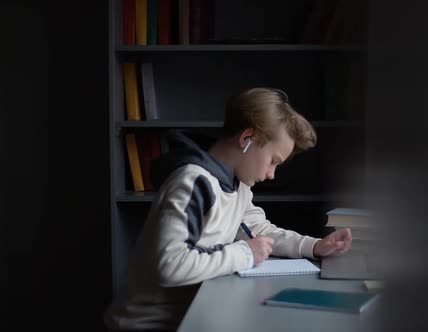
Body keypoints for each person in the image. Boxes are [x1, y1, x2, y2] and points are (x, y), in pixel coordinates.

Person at [104, 87, 353, 331]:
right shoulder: (193, 183)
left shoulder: (238, 186)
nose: (271, 175)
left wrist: (314, 246)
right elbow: (170, 265)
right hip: (148, 325)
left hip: (192, 315)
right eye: (273, 161)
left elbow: (259, 232)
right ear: (246, 139)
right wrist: (244, 254)